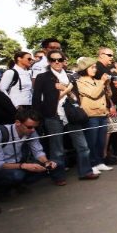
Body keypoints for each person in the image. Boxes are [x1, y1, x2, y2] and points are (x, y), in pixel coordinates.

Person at [33, 50, 98, 181]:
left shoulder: (69, 77)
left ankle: (85, 172)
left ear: (64, 61)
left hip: (71, 114)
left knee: (82, 146)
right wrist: (67, 90)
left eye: (60, 60)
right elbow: (40, 100)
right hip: (53, 116)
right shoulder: (42, 77)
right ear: (48, 61)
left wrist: (66, 90)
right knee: (57, 149)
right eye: (53, 59)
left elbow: (75, 98)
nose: (57, 62)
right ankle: (58, 176)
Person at [0, 109, 66, 201]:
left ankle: (20, 184)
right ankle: (1, 190)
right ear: (18, 122)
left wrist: (47, 162)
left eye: (35, 127)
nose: (32, 130)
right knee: (17, 174)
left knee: (56, 164)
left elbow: (38, 152)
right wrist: (24, 166)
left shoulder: (31, 132)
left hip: (18, 165)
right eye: (29, 127)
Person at [75, 57, 114, 174]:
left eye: (95, 67)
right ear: (84, 69)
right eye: (91, 67)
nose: (94, 69)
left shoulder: (97, 81)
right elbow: (93, 94)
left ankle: (99, 162)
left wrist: (107, 85)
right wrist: (102, 82)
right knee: (90, 142)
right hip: (91, 115)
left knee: (101, 141)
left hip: (102, 114)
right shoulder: (80, 82)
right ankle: (91, 164)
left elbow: (109, 96)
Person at [94, 47, 117, 166]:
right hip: (103, 105)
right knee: (106, 131)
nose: (111, 57)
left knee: (109, 131)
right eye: (109, 55)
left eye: (112, 55)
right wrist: (111, 105)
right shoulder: (98, 69)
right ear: (100, 55)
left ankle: (103, 154)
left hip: (109, 103)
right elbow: (102, 89)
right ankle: (102, 156)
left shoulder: (105, 69)